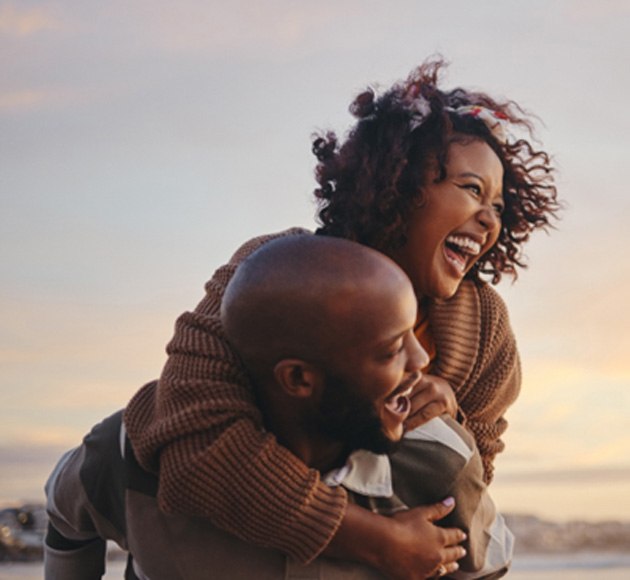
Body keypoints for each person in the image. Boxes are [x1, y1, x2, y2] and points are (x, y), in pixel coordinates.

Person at [123, 57, 559, 579]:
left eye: (499, 204)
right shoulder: (273, 272)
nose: (490, 219)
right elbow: (194, 442)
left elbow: (470, 487)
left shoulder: (484, 326)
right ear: (399, 184)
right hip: (221, 545)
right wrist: (373, 540)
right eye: (471, 189)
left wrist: (452, 422)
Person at [45, 236, 511, 579]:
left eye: (415, 331)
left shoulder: (439, 461)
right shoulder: (135, 451)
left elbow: (487, 567)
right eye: (391, 350)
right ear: (298, 378)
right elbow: (65, 515)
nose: (423, 361)